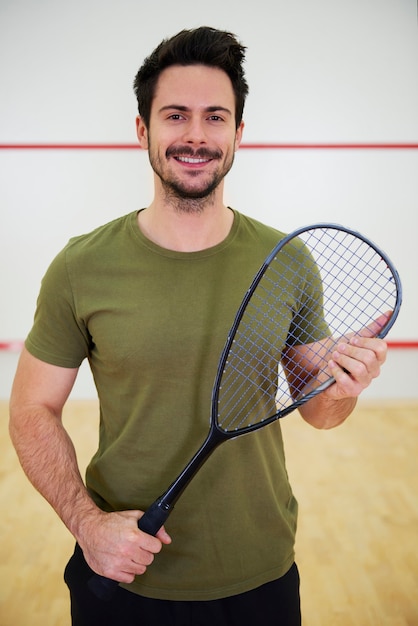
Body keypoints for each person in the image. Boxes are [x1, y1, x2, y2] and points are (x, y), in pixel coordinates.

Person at [9, 26, 388, 626]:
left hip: (260, 574)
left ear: (238, 133)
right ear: (143, 130)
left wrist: (344, 388)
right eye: (175, 115)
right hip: (121, 576)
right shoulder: (80, 267)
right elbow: (31, 410)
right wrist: (87, 523)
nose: (195, 136)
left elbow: (319, 411)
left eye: (215, 117)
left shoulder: (288, 259)